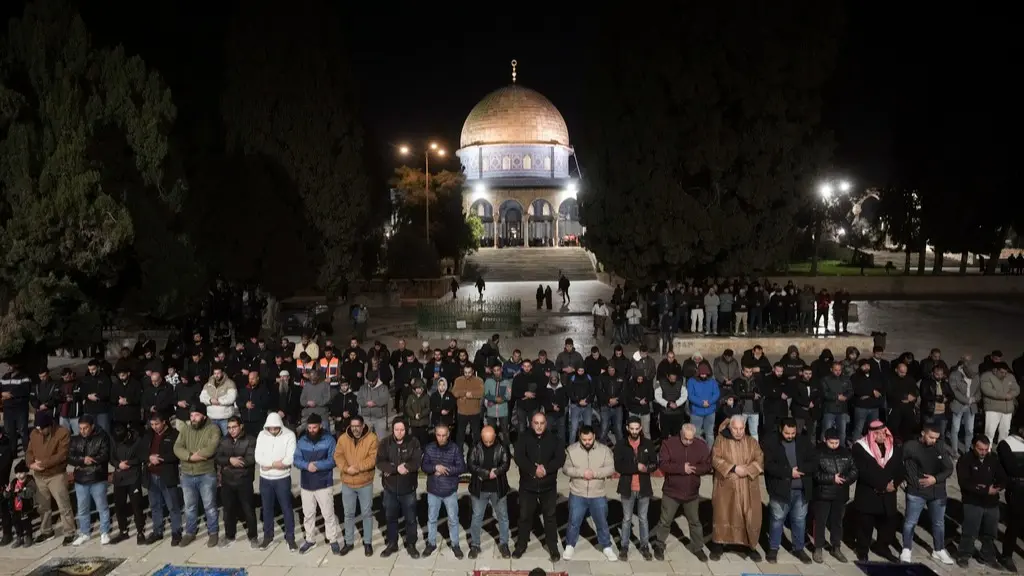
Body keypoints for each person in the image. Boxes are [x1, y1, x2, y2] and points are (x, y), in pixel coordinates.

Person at [651, 422, 710, 561]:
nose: (688, 442)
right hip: (672, 492)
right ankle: (659, 545)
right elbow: (663, 464)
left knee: (695, 522)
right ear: (681, 434)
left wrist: (695, 469)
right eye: (686, 439)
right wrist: (681, 468)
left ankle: (698, 547)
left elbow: (707, 465)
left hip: (692, 493)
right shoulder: (668, 444)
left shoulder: (701, 446)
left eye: (691, 439)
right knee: (665, 521)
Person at [709, 415, 764, 562]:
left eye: (741, 429)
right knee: (723, 514)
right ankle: (718, 545)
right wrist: (733, 468)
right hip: (727, 485)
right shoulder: (721, 440)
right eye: (735, 428)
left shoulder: (752, 442)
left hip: (747, 485)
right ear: (730, 427)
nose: (739, 432)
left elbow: (759, 458)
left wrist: (747, 470)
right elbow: (715, 458)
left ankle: (750, 546)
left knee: (750, 515)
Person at [513, 411, 565, 562]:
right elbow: (518, 457)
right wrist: (533, 470)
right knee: (524, 517)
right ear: (531, 423)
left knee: (550, 517)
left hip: (548, 486)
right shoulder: (523, 438)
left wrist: (546, 469)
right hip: (528, 486)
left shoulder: (555, 439)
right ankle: (521, 545)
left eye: (542, 423)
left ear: (546, 424)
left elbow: (560, 458)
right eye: (536, 423)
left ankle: (553, 548)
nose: (539, 426)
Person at [560, 425, 617, 561]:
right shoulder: (571, 450)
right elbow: (566, 469)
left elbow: (611, 468)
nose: (587, 442)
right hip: (577, 493)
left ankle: (606, 546)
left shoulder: (604, 451)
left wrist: (595, 474)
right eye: (584, 439)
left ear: (594, 436)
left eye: (589, 439)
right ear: (579, 436)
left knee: (602, 522)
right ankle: (570, 545)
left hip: (597, 493)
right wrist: (581, 473)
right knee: (574, 521)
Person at [900, 424, 954, 564]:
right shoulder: (910, 446)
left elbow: (949, 468)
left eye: (936, 438)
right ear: (923, 433)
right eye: (931, 437)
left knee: (938, 523)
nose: (933, 441)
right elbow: (901, 464)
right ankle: (906, 549)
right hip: (916, 491)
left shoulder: (940, 447)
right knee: (910, 522)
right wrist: (903, 480)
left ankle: (939, 549)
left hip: (937, 491)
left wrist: (934, 479)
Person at [762, 418, 814, 564]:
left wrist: (802, 471)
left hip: (801, 490)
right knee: (777, 520)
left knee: (799, 521)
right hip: (780, 489)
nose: (790, 436)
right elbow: (769, 466)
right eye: (787, 433)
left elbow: (814, 461)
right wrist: (788, 473)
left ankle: (799, 548)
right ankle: (773, 548)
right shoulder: (771, 442)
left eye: (792, 433)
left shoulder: (803, 441)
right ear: (780, 429)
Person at [851, 421, 903, 562]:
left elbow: (900, 468)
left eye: (883, 433)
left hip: (889, 494)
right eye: (878, 433)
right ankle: (862, 550)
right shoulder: (859, 448)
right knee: (865, 525)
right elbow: (863, 471)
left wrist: (895, 483)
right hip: (869, 493)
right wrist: (882, 485)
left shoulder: (894, 447)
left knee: (888, 524)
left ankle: (882, 546)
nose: (882, 436)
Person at [173, 403, 221, 547]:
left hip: (206, 473)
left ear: (204, 416)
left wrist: (197, 455)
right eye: (192, 415)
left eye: (197, 415)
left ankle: (213, 532)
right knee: (189, 506)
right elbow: (177, 447)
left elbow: (211, 448)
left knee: (210, 505)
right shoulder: (186, 429)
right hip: (187, 473)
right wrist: (189, 456)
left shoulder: (213, 429)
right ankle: (190, 532)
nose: (193, 418)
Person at [956, 435, 1007, 568]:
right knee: (970, 531)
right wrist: (985, 489)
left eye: (986, 449)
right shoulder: (965, 460)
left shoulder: (993, 459)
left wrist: (998, 487)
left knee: (990, 532)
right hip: (972, 502)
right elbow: (965, 483)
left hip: (991, 503)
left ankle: (987, 556)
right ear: (973, 447)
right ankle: (963, 555)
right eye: (980, 449)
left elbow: (1003, 476)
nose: (983, 452)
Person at [25, 411, 76, 545]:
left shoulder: (62, 433)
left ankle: (70, 531)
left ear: (49, 426)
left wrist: (43, 464)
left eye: (42, 428)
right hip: (39, 476)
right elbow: (29, 451)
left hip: (56, 475)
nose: (40, 431)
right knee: (43, 506)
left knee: (63, 505)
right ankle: (46, 531)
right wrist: (30, 464)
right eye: (38, 428)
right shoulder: (34, 433)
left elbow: (62, 455)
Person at [294, 414, 341, 555]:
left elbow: (333, 460)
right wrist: (307, 465)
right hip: (306, 484)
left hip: (323, 483)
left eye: (314, 427)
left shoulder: (329, 440)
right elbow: (296, 459)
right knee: (308, 514)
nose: (312, 430)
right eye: (309, 427)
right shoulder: (302, 441)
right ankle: (310, 540)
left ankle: (332, 539)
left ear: (320, 426)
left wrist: (318, 466)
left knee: (328, 514)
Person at [376, 418, 422, 558]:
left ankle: (411, 544)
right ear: (392, 429)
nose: (399, 432)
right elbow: (380, 462)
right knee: (391, 518)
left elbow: (417, 460)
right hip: (390, 489)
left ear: (406, 429)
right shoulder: (385, 443)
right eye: (397, 430)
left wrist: (406, 467)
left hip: (408, 488)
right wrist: (396, 468)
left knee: (411, 519)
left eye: (402, 430)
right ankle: (392, 544)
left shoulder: (413, 442)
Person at [334, 414, 378, 557]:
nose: (355, 429)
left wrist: (357, 468)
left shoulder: (372, 438)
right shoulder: (342, 438)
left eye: (357, 426)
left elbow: (372, 459)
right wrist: (347, 469)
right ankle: (348, 542)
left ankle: (368, 543)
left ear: (363, 425)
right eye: (352, 426)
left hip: (365, 482)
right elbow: (338, 456)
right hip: (347, 482)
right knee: (348, 514)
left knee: (366, 513)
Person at [614, 416, 657, 560]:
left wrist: (647, 468)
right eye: (631, 428)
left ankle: (644, 545)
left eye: (636, 428)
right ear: (627, 428)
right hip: (627, 487)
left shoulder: (648, 444)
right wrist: (636, 467)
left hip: (644, 487)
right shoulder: (621, 444)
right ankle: (624, 546)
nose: (634, 431)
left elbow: (654, 463)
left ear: (640, 428)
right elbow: (618, 466)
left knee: (643, 518)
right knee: (626, 519)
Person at [811, 428, 856, 563]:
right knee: (820, 521)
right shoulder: (818, 452)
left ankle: (836, 547)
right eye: (832, 443)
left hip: (840, 494)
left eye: (836, 442)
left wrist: (845, 479)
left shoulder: (846, 453)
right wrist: (831, 478)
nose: (835, 445)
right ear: (825, 440)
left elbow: (854, 470)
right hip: (823, 494)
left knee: (837, 522)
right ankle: (818, 547)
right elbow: (815, 473)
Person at [422, 423, 466, 557]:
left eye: (443, 435)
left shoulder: (455, 449)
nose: (441, 438)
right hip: (433, 490)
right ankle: (431, 543)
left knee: (453, 519)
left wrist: (444, 470)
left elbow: (461, 467)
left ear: (448, 435)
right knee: (432, 519)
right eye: (438, 435)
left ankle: (455, 544)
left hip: (449, 490)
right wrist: (435, 467)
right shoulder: (429, 448)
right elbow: (424, 466)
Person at [467, 425, 511, 559]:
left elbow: (506, 463)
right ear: (481, 437)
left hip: (497, 489)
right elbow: (470, 464)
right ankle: (475, 545)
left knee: (502, 517)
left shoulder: (502, 447)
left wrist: (496, 472)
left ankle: (504, 544)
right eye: (485, 441)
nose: (488, 444)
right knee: (476, 518)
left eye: (490, 441)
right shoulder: (475, 447)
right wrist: (486, 473)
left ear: (494, 437)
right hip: (480, 489)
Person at [255, 412, 297, 551]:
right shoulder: (262, 435)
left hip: (282, 479)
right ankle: (268, 537)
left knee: (286, 508)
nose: (272, 431)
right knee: (266, 508)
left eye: (275, 428)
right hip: (265, 479)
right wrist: (277, 463)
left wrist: (271, 465)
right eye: (270, 429)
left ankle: (290, 538)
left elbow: (290, 459)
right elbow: (258, 457)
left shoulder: (289, 435)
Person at [215, 416, 258, 548]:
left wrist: (230, 463)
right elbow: (218, 457)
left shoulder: (250, 440)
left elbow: (250, 459)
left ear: (241, 426)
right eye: (229, 427)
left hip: (243, 480)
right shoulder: (224, 440)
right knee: (228, 510)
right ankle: (229, 535)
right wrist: (230, 460)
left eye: (234, 427)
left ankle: (253, 536)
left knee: (248, 509)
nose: (231, 430)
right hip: (227, 481)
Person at [69, 414, 112, 546]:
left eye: (85, 428)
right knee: (82, 509)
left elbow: (105, 455)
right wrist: (83, 460)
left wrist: (90, 460)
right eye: (80, 428)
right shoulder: (75, 439)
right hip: (80, 479)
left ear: (92, 426)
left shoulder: (102, 437)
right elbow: (70, 456)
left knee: (102, 507)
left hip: (97, 477)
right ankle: (85, 532)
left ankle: (104, 531)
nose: (82, 431)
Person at [141, 411, 182, 545]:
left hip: (167, 475)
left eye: (157, 424)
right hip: (151, 475)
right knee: (155, 506)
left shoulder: (174, 434)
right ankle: (157, 531)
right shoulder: (148, 435)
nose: (154, 427)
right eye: (152, 424)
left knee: (172, 506)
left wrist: (160, 459)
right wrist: (148, 458)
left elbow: (176, 454)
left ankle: (176, 532)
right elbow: (140, 452)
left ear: (164, 422)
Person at [110, 424, 147, 544]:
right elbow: (111, 457)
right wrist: (118, 464)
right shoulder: (114, 440)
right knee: (119, 505)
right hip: (119, 477)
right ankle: (123, 531)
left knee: (136, 505)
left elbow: (142, 457)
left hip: (133, 476)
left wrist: (129, 463)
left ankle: (140, 532)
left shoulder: (137, 440)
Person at [996, 423, 1024, 572]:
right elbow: (1013, 469)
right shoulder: (1006, 444)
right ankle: (1006, 555)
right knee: (1014, 524)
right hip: (1017, 488)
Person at [980, 362, 1019, 445]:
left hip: (1007, 410)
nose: (1004, 375)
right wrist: (1005, 395)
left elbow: (1016, 389)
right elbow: (988, 391)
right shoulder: (986, 376)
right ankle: (987, 453)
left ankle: (1001, 453)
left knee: (1004, 433)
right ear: (995, 370)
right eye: (1002, 372)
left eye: (1006, 372)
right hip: (993, 409)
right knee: (989, 433)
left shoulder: (1010, 376)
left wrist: (1011, 394)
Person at [452, 364, 484, 452]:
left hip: (475, 412)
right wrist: (466, 393)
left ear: (473, 371)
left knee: (476, 433)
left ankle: (477, 450)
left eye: (469, 372)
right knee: (460, 433)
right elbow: (455, 392)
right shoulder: (458, 380)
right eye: (465, 372)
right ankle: (459, 450)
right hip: (462, 412)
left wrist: (471, 394)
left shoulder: (479, 380)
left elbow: (481, 393)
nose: (467, 374)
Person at [1, 363, 32, 452]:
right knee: (10, 432)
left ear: (16, 365)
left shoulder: (24, 377)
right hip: (7, 410)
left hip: (20, 409)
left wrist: (11, 395)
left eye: (10, 365)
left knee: (23, 432)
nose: (8, 368)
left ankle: (27, 452)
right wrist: (2, 394)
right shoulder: (4, 377)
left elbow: (26, 390)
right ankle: (12, 453)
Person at [200, 363, 237, 435]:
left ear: (222, 373)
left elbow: (231, 398)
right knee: (213, 439)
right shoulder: (208, 384)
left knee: (227, 439)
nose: (216, 375)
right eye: (215, 373)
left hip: (225, 418)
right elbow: (202, 397)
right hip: (211, 418)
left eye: (218, 373)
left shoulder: (230, 383)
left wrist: (219, 401)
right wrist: (210, 401)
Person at [687, 365, 719, 447]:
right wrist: (702, 403)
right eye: (702, 374)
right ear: (698, 373)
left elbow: (716, 393)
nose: (704, 376)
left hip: (710, 411)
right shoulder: (691, 381)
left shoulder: (712, 381)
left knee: (710, 434)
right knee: (695, 434)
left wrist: (709, 402)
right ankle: (697, 453)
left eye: (705, 374)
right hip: (696, 412)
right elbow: (690, 396)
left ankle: (710, 454)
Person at [5, 460, 35, 547]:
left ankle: (28, 536)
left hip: (25, 507)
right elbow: (8, 494)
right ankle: (19, 537)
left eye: (21, 472)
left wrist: (20, 491)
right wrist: (7, 492)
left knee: (26, 523)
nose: (19, 475)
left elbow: (30, 493)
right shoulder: (14, 481)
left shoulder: (29, 481)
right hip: (15, 507)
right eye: (17, 473)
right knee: (16, 522)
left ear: (25, 472)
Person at [483, 365, 512, 447]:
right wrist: (495, 399)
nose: (496, 372)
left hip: (503, 411)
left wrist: (501, 399)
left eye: (498, 370)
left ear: (501, 370)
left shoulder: (507, 382)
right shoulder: (488, 381)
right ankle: (492, 447)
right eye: (494, 370)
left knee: (505, 431)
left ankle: (506, 449)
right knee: (491, 431)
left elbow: (508, 396)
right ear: (492, 371)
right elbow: (486, 394)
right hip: (491, 410)